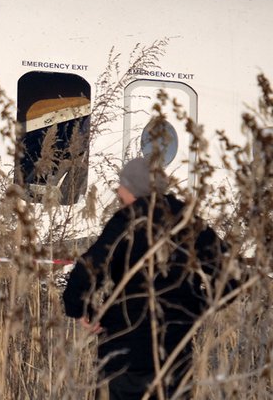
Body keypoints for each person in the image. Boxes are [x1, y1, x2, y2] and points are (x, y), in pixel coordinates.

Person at [62, 157, 239, 399]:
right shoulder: (187, 221)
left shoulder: (127, 220)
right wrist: (198, 307)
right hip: (174, 351)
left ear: (133, 188)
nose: (118, 191)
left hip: (125, 349)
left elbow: (89, 267)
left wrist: (80, 308)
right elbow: (232, 273)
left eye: (122, 185)